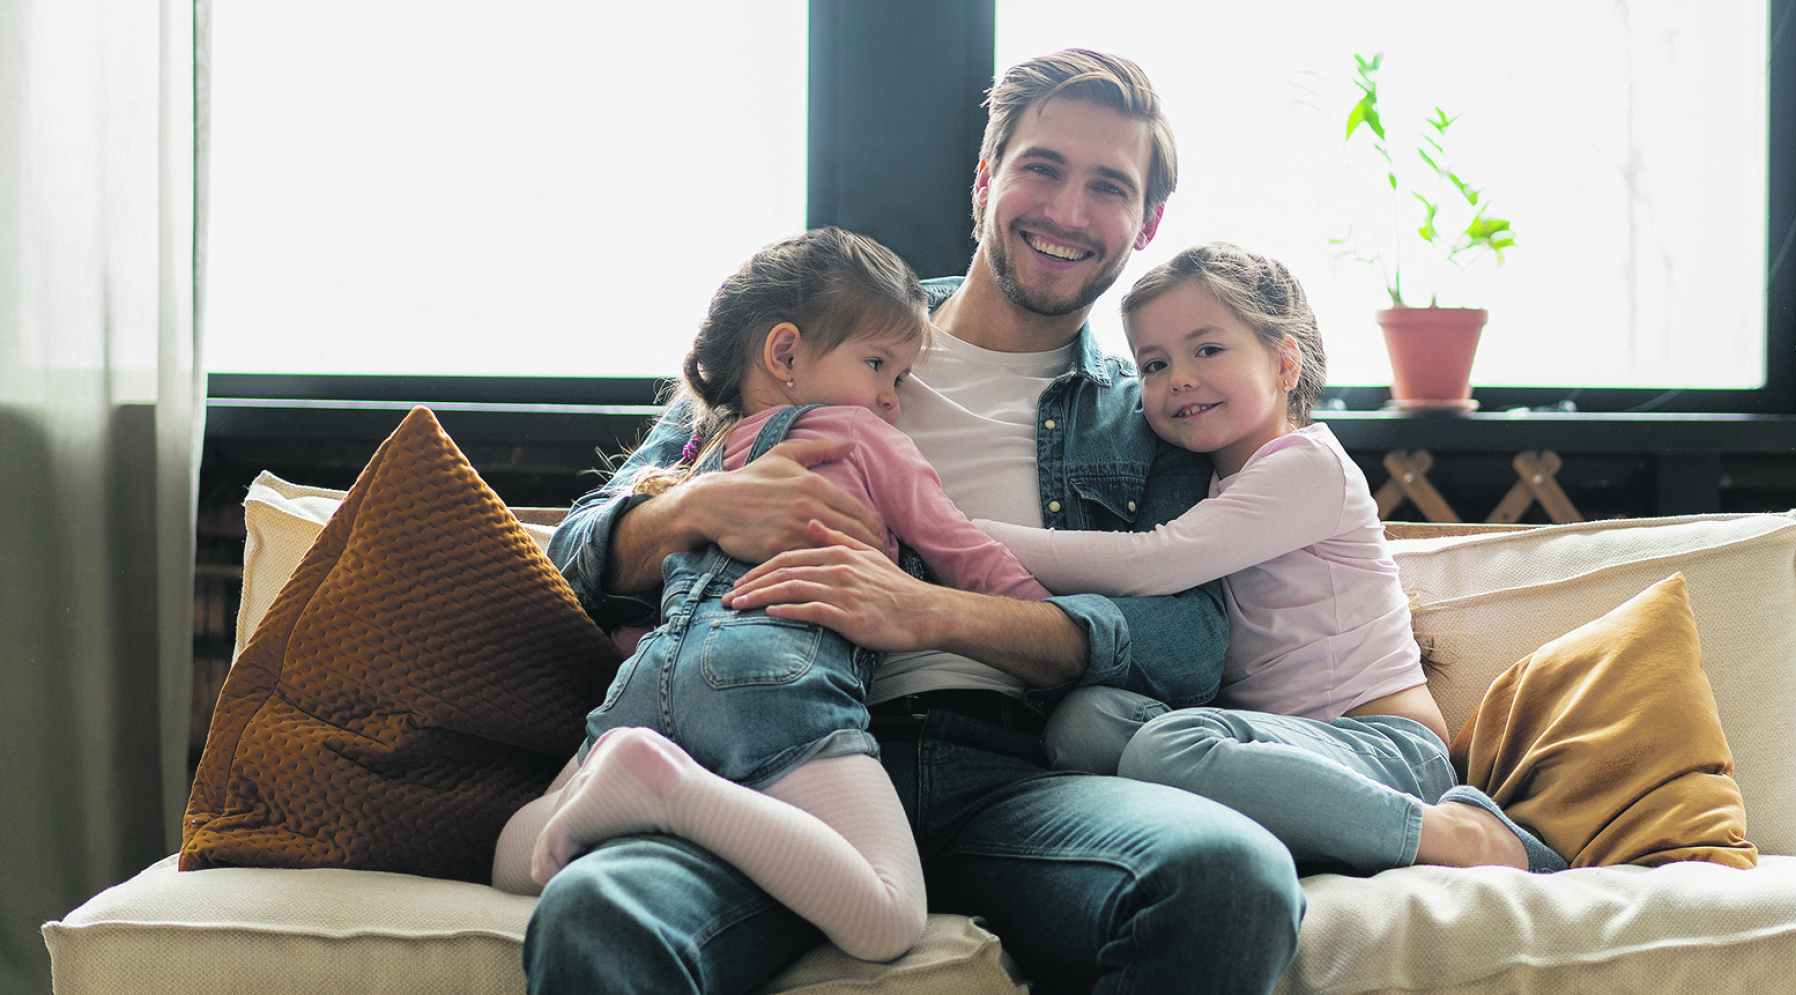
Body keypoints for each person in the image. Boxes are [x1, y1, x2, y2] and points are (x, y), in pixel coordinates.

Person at [526, 49, 1304, 995]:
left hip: (1014, 776)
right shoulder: (823, 326)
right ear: (985, 180)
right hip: (768, 763)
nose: (1066, 210)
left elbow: (1187, 645)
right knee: (604, 912)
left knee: (1229, 876)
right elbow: (573, 552)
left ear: (1147, 223)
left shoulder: (1155, 412)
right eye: (1041, 168)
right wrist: (696, 505)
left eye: (1108, 186)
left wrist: (927, 612)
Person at [491, 227, 1058, 963]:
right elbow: (959, 545)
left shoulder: (706, 453)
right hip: (771, 676)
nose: (890, 400)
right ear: (785, 353)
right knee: (889, 913)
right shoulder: (857, 435)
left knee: (513, 857)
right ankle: (666, 787)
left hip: (650, 680)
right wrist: (1041, 614)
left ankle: (642, 771)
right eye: (879, 366)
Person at [974, 243, 1567, 875]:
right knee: (1083, 723)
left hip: (1388, 751)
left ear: (1285, 362)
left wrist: (966, 535)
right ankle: (1290, 836)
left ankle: (1455, 834)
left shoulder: (1307, 465)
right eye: (1153, 363)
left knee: (1167, 748)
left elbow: (1157, 562)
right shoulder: (1203, 485)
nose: (1178, 377)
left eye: (1207, 350)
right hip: (1278, 746)